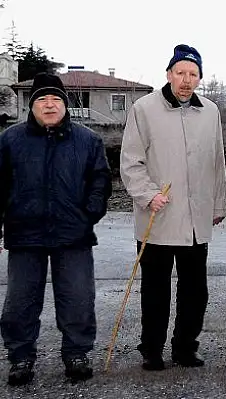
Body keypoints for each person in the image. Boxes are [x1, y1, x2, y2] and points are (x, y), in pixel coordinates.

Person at [120, 44, 226, 371]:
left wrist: (219, 203)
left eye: (192, 74)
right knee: (155, 290)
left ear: (199, 78)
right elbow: (131, 162)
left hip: (197, 220)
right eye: (180, 73)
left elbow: (217, 162)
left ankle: (185, 347)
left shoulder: (210, 111)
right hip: (159, 216)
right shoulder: (144, 109)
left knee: (195, 290)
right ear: (169, 74)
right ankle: (151, 349)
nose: (186, 80)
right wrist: (147, 194)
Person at [0, 72, 112, 385]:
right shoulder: (10, 140)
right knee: (20, 301)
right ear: (31, 105)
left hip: (72, 234)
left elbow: (100, 180)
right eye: (42, 99)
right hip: (25, 234)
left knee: (77, 297)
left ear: (65, 104)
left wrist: (89, 213)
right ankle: (20, 357)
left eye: (56, 99)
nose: (49, 105)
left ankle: (76, 353)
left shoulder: (87, 140)